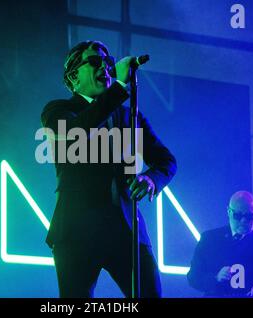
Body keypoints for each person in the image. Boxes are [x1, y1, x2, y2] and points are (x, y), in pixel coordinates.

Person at [40, 40, 177, 297]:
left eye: (107, 62)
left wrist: (151, 179)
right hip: (77, 230)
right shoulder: (58, 111)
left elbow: (166, 161)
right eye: (93, 61)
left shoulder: (129, 116)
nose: (104, 65)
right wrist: (120, 87)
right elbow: (77, 131)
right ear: (73, 77)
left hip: (126, 228)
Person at [187, 191, 253, 297]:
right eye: (238, 215)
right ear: (228, 211)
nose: (243, 221)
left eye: (249, 216)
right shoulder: (210, 239)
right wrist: (215, 278)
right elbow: (193, 277)